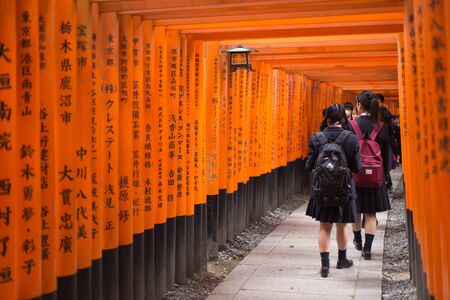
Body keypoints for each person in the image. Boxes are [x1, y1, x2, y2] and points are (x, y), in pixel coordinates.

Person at [306, 104, 362, 278]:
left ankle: (324, 266)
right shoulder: (351, 139)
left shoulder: (316, 138)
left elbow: (309, 165)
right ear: (342, 120)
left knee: (324, 226)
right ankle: (342, 260)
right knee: (342, 225)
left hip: (322, 189)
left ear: (326, 119)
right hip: (344, 189)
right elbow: (357, 168)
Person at [351, 91, 391, 260]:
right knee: (371, 213)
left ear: (359, 105)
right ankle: (367, 249)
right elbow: (387, 155)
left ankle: (358, 241)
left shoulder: (351, 125)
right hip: (375, 177)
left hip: (356, 175)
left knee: (356, 210)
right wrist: (385, 174)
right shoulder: (381, 127)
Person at [374, 93, 397, 192]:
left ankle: (386, 183)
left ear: (382, 103)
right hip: (376, 142)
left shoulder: (384, 113)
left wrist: (392, 142)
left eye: (378, 102)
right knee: (380, 163)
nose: (377, 104)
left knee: (384, 163)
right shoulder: (373, 112)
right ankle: (385, 183)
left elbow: (391, 129)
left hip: (384, 142)